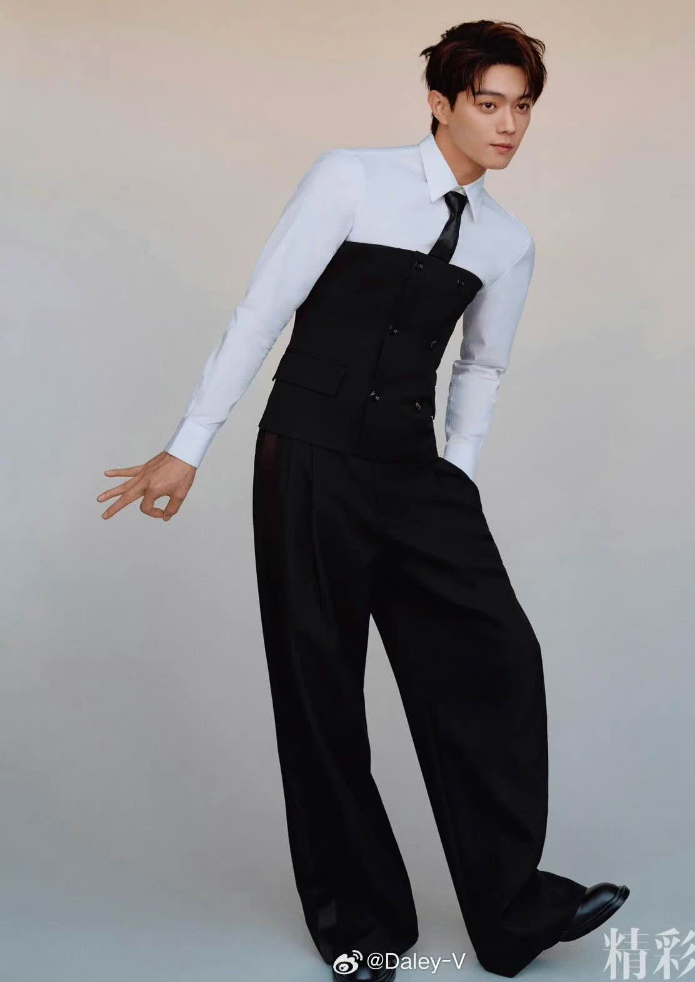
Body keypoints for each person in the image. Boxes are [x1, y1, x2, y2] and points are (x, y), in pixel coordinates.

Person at [97, 18, 629, 981]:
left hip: (415, 473)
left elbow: (483, 366)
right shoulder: (351, 178)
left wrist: (457, 476)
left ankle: (514, 913)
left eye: (522, 108)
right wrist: (187, 447)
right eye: (489, 104)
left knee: (500, 657)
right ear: (441, 103)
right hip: (308, 454)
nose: (508, 125)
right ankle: (362, 925)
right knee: (321, 686)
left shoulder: (507, 241)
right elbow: (263, 308)